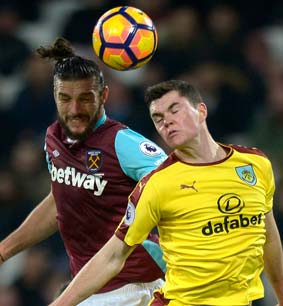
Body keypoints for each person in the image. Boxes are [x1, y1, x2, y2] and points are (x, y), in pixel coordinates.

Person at [47, 79, 283, 306]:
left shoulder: (255, 164)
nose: (166, 121)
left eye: (174, 110)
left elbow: (268, 234)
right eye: (158, 118)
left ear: (201, 111)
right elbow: (113, 255)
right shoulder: (157, 184)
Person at [0, 37, 168, 306]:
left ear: (103, 96)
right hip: (88, 287)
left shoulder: (122, 143)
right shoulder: (54, 138)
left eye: (85, 99)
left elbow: (179, 180)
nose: (75, 110)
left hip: (133, 287)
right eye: (65, 99)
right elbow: (62, 200)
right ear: (54, 97)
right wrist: (4, 250)